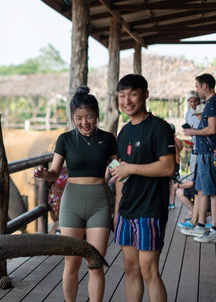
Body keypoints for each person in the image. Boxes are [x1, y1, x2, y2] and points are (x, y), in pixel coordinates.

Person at [34, 86, 117, 302]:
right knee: (71, 262)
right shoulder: (65, 139)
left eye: (89, 116)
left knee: (96, 263)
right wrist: (45, 174)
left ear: (96, 115)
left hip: (99, 202)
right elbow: (54, 173)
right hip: (72, 202)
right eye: (79, 118)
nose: (84, 122)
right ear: (73, 117)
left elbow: (118, 167)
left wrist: (130, 171)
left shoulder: (107, 139)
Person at [110, 74, 176, 302]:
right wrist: (117, 210)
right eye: (122, 96)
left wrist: (131, 169)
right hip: (126, 211)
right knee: (130, 268)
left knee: (149, 270)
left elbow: (168, 167)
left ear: (145, 95)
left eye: (133, 94)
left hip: (150, 211)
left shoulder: (160, 128)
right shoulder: (123, 132)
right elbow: (120, 174)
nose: (127, 101)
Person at [183, 73, 216, 243]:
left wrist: (193, 132)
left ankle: (214, 231)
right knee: (202, 190)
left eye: (198, 86)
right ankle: (200, 226)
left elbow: (213, 129)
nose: (197, 90)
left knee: (212, 191)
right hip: (204, 153)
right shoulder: (211, 103)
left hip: (209, 152)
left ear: (205, 85)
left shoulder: (213, 102)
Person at [186, 90, 201, 174]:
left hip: (204, 147)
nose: (193, 104)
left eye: (195, 101)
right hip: (194, 146)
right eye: (191, 102)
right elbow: (188, 128)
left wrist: (195, 132)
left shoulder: (204, 111)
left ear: (199, 100)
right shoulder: (188, 113)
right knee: (193, 170)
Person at [169, 123, 183, 209]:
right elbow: (180, 149)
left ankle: (166, 202)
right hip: (177, 162)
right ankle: (172, 203)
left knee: (167, 183)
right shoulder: (178, 140)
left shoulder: (167, 140)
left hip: (168, 163)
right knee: (173, 182)